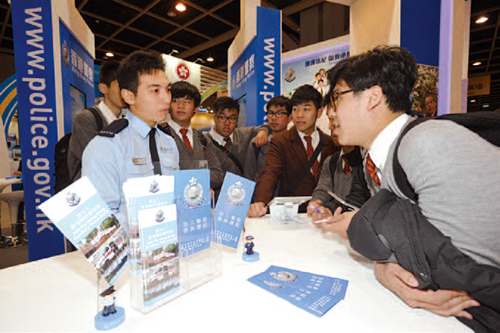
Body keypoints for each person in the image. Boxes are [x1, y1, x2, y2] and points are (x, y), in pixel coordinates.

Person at [320, 45, 499, 324]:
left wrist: (387, 256)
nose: (329, 112)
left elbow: (465, 271)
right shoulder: (377, 158)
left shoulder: (426, 144)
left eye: (336, 97)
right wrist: (386, 265)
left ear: (372, 97)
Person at [82, 51, 179, 233]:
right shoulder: (107, 146)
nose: (167, 98)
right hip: (129, 253)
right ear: (129, 96)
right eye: (155, 90)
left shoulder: (169, 142)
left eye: (167, 89)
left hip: (170, 247)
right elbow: (100, 219)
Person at [248, 85, 337, 217]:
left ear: (319, 112)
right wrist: (260, 202)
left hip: (323, 212)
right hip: (293, 214)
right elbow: (269, 173)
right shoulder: (280, 141)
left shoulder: (331, 143)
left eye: (306, 109)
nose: (300, 115)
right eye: (295, 109)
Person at [159, 81, 224, 190]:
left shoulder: (202, 139)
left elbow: (218, 175)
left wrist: (185, 176)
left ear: (196, 108)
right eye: (175, 101)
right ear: (169, 105)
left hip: (198, 203)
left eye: (187, 102)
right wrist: (201, 177)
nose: (181, 106)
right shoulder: (160, 134)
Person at [68, 60, 127, 181]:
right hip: (92, 192)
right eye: (121, 86)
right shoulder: (86, 118)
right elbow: (99, 162)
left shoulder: (127, 122)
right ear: (104, 88)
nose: (126, 92)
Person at [307, 107, 357, 216]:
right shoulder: (331, 161)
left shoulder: (366, 160)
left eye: (337, 120)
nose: (331, 126)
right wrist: (316, 203)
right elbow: (323, 189)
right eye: (330, 120)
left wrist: (330, 210)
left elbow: (360, 200)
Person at [205, 96, 269, 177]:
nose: (227, 123)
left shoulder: (243, 134)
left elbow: (268, 126)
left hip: (242, 188)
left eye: (232, 118)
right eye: (222, 117)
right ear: (214, 117)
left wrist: (263, 131)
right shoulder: (203, 143)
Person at [243, 96, 292, 182]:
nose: (273, 118)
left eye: (279, 113)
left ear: (290, 118)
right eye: (270, 113)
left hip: (286, 195)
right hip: (261, 193)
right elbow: (248, 176)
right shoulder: (257, 143)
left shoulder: (295, 143)